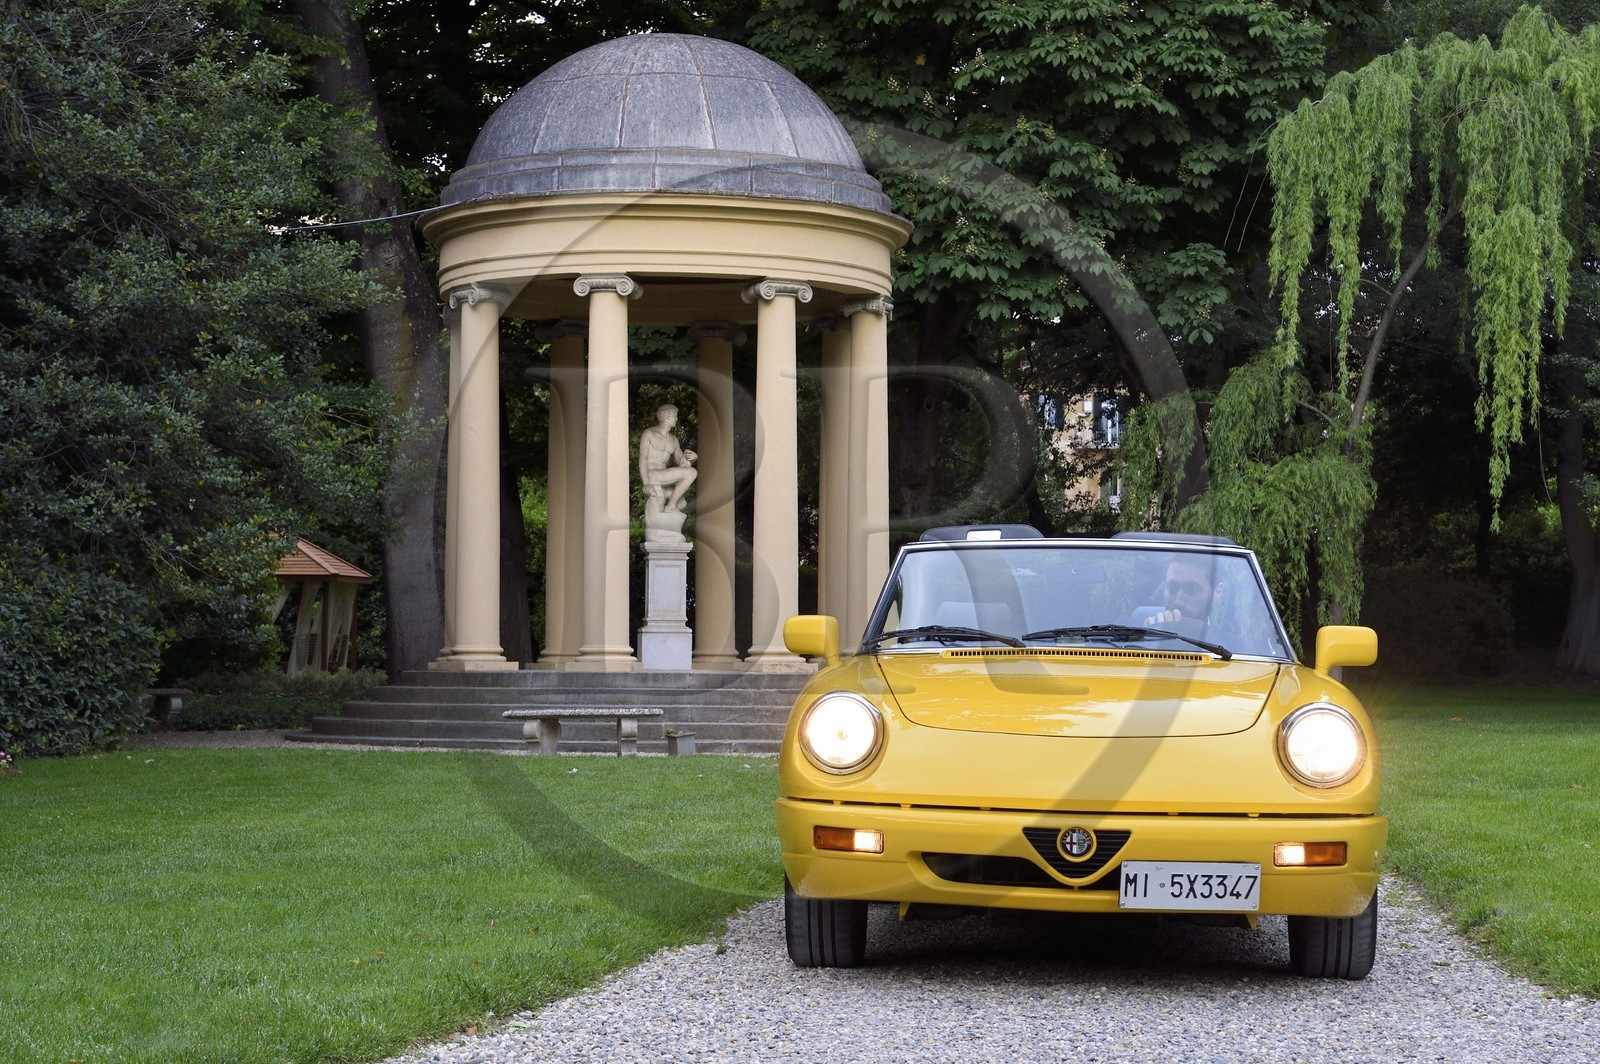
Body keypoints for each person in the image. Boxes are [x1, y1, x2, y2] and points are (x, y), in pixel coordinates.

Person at [638, 404, 697, 512]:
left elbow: (683, 464)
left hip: (664, 476)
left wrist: (692, 458)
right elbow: (643, 458)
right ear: (668, 416)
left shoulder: (674, 440)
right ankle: (671, 506)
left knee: (682, 503)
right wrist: (645, 483)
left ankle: (671, 504)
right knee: (692, 472)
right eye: (675, 416)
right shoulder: (649, 433)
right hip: (652, 474)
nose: (676, 419)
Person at [1139, 556, 1221, 628]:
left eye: (1192, 589)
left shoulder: (1228, 641)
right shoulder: (1138, 635)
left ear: (1216, 592)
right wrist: (1148, 637)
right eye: (1172, 588)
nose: (1178, 602)